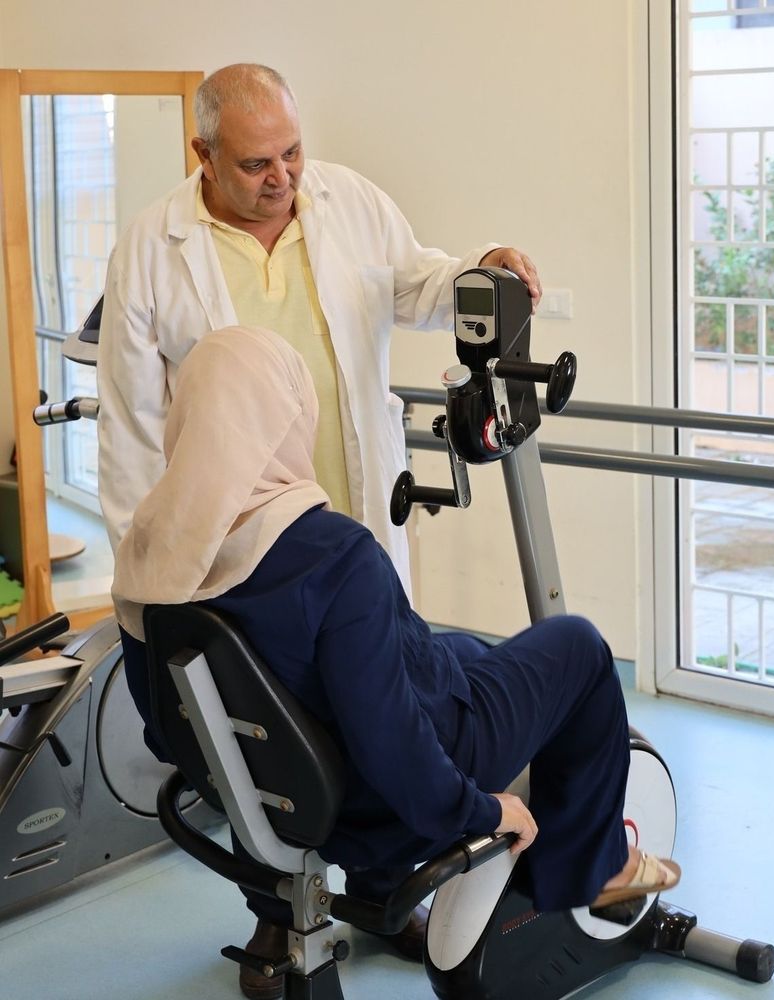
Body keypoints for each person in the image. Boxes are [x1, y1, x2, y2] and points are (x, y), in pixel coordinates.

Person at [112, 327, 680, 1000]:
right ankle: (599, 867)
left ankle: (301, 912)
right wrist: (484, 811)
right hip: (382, 794)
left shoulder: (152, 550)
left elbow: (164, 729)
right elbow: (394, 750)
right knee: (579, 648)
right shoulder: (332, 553)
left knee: (451, 652)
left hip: (265, 791)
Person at [97, 62, 542, 601]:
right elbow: (131, 429)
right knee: (262, 676)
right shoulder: (149, 248)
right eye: (256, 163)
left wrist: (483, 266)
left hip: (357, 512)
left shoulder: (350, 200)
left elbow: (419, 283)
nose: (281, 178)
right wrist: (147, 585)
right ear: (205, 156)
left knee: (371, 665)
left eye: (292, 153)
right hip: (239, 544)